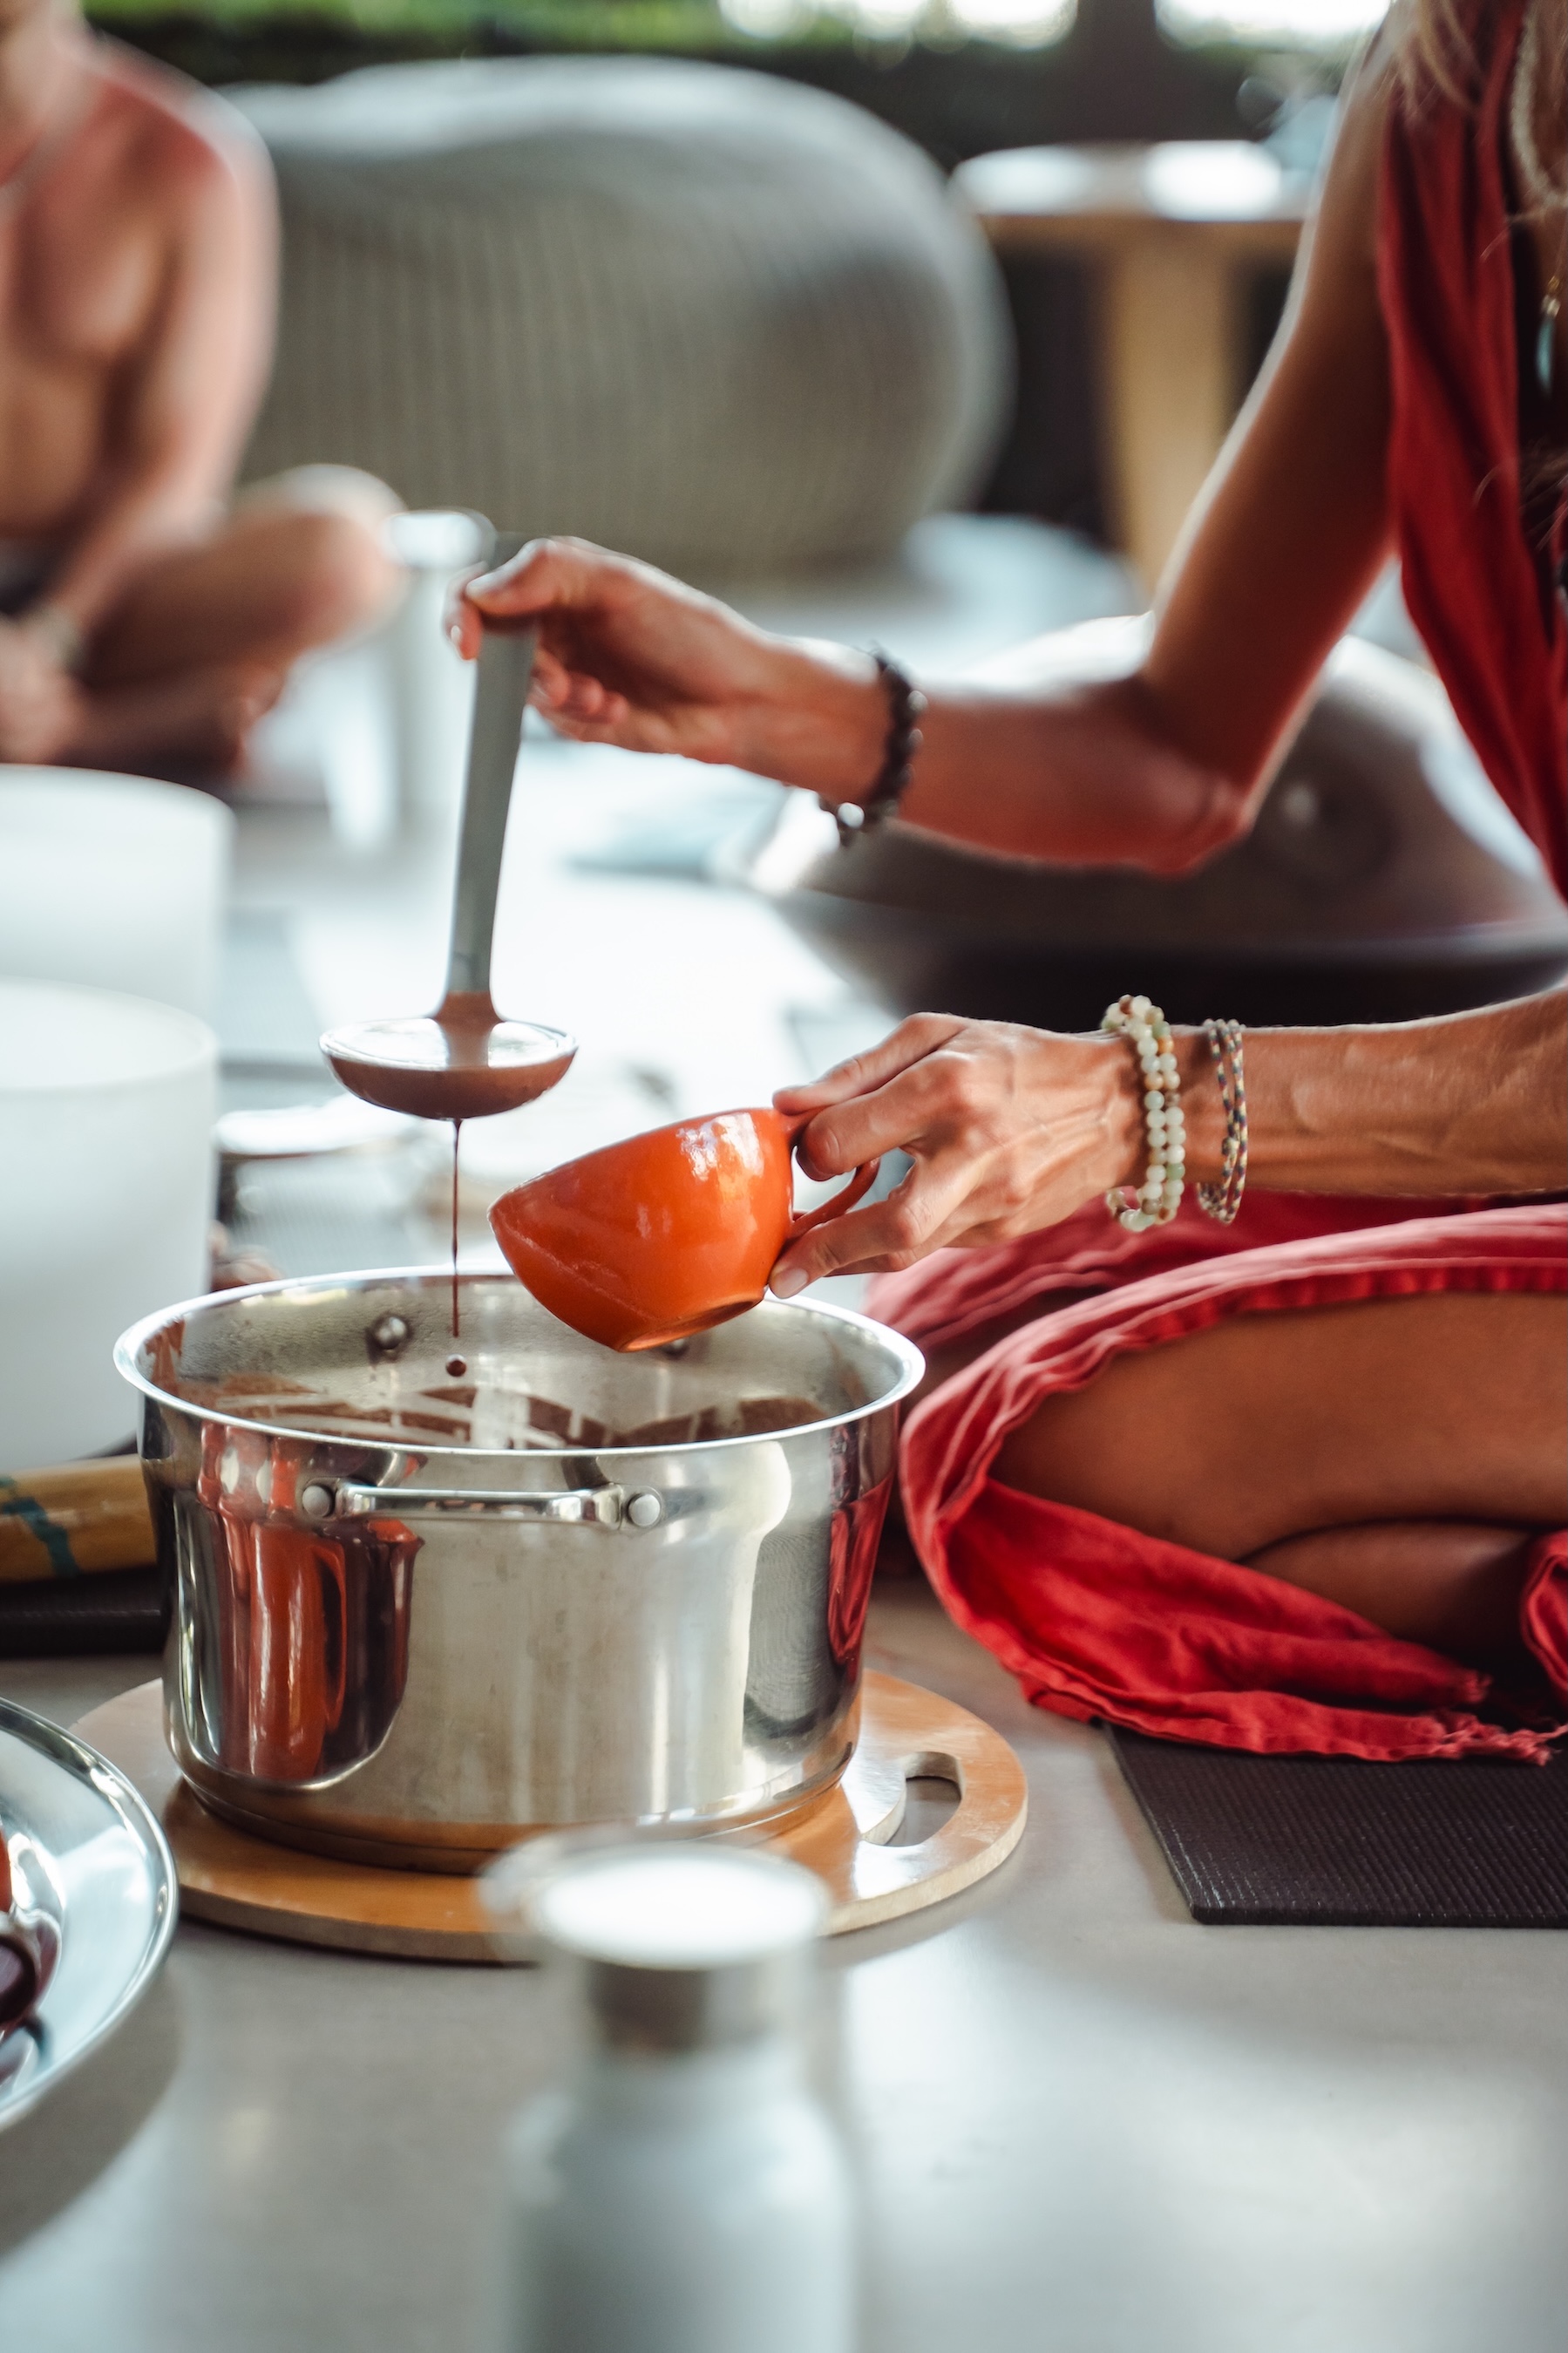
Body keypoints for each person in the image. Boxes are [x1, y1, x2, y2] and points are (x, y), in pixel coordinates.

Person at [458, 0, 1567, 1758]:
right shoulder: (1444, 83)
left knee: (1078, 1452)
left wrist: (1136, 1105)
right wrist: (784, 696)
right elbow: (1176, 739)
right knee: (943, 1333)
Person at [0, 0, 399, 777]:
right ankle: (112, 735)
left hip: (100, 605)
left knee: (344, 546)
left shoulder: (188, 160)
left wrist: (47, 636)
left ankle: (51, 722)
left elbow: (176, 477)